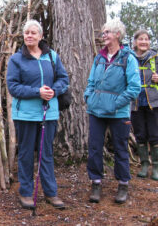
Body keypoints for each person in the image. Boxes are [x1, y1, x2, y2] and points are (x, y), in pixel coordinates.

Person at [7, 19, 69, 210]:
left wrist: (54, 91)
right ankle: (26, 192)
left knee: (46, 154)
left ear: (41, 36)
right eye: (27, 33)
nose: (30, 36)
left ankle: (51, 193)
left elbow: (63, 79)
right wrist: (37, 92)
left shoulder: (52, 56)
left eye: (34, 33)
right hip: (25, 115)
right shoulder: (16, 59)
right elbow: (13, 87)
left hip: (48, 114)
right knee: (26, 154)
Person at [84, 20, 141, 204]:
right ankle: (96, 183)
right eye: (103, 33)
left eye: (107, 32)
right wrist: (89, 97)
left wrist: (115, 103)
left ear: (118, 34)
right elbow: (91, 82)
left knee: (120, 148)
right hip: (96, 111)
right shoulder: (99, 58)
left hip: (119, 113)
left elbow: (134, 88)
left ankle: (123, 184)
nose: (104, 35)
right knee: (94, 147)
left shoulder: (128, 58)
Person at [131, 29, 158, 181]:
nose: (143, 42)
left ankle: (156, 168)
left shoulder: (155, 57)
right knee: (140, 135)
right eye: (140, 39)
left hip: (153, 102)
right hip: (135, 103)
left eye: (146, 39)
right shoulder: (130, 58)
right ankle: (144, 166)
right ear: (135, 42)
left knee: (155, 136)